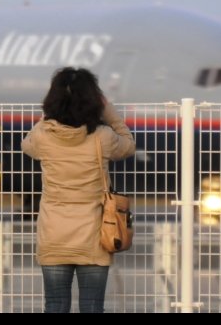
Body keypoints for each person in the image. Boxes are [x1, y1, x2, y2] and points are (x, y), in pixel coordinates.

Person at [22, 67, 135, 313]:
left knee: (54, 305)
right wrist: (111, 114)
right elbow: (128, 146)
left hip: (54, 233)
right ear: (94, 101)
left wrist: (49, 115)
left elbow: (26, 145)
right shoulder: (103, 137)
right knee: (93, 306)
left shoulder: (43, 136)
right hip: (95, 235)